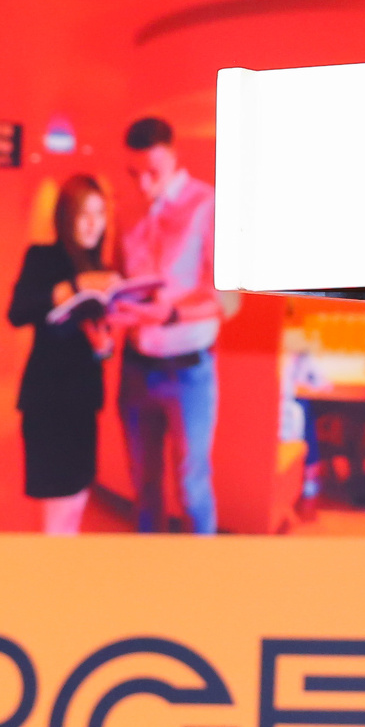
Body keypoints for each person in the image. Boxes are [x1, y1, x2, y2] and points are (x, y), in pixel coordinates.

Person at [110, 115, 230, 535]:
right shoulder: (126, 210)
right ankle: (149, 571)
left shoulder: (207, 204)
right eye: (134, 174)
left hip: (189, 371)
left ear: (174, 157)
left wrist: (171, 314)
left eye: (152, 172)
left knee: (192, 487)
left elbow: (227, 299)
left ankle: (204, 575)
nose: (143, 185)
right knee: (143, 487)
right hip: (135, 366)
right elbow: (122, 280)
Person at [7, 175, 118, 536]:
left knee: (76, 508)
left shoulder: (100, 269)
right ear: (65, 217)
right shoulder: (42, 258)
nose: (93, 223)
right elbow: (17, 312)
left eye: (99, 213)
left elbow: (102, 345)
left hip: (83, 403)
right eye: (83, 214)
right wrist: (74, 287)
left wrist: (104, 348)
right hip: (48, 402)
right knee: (57, 517)